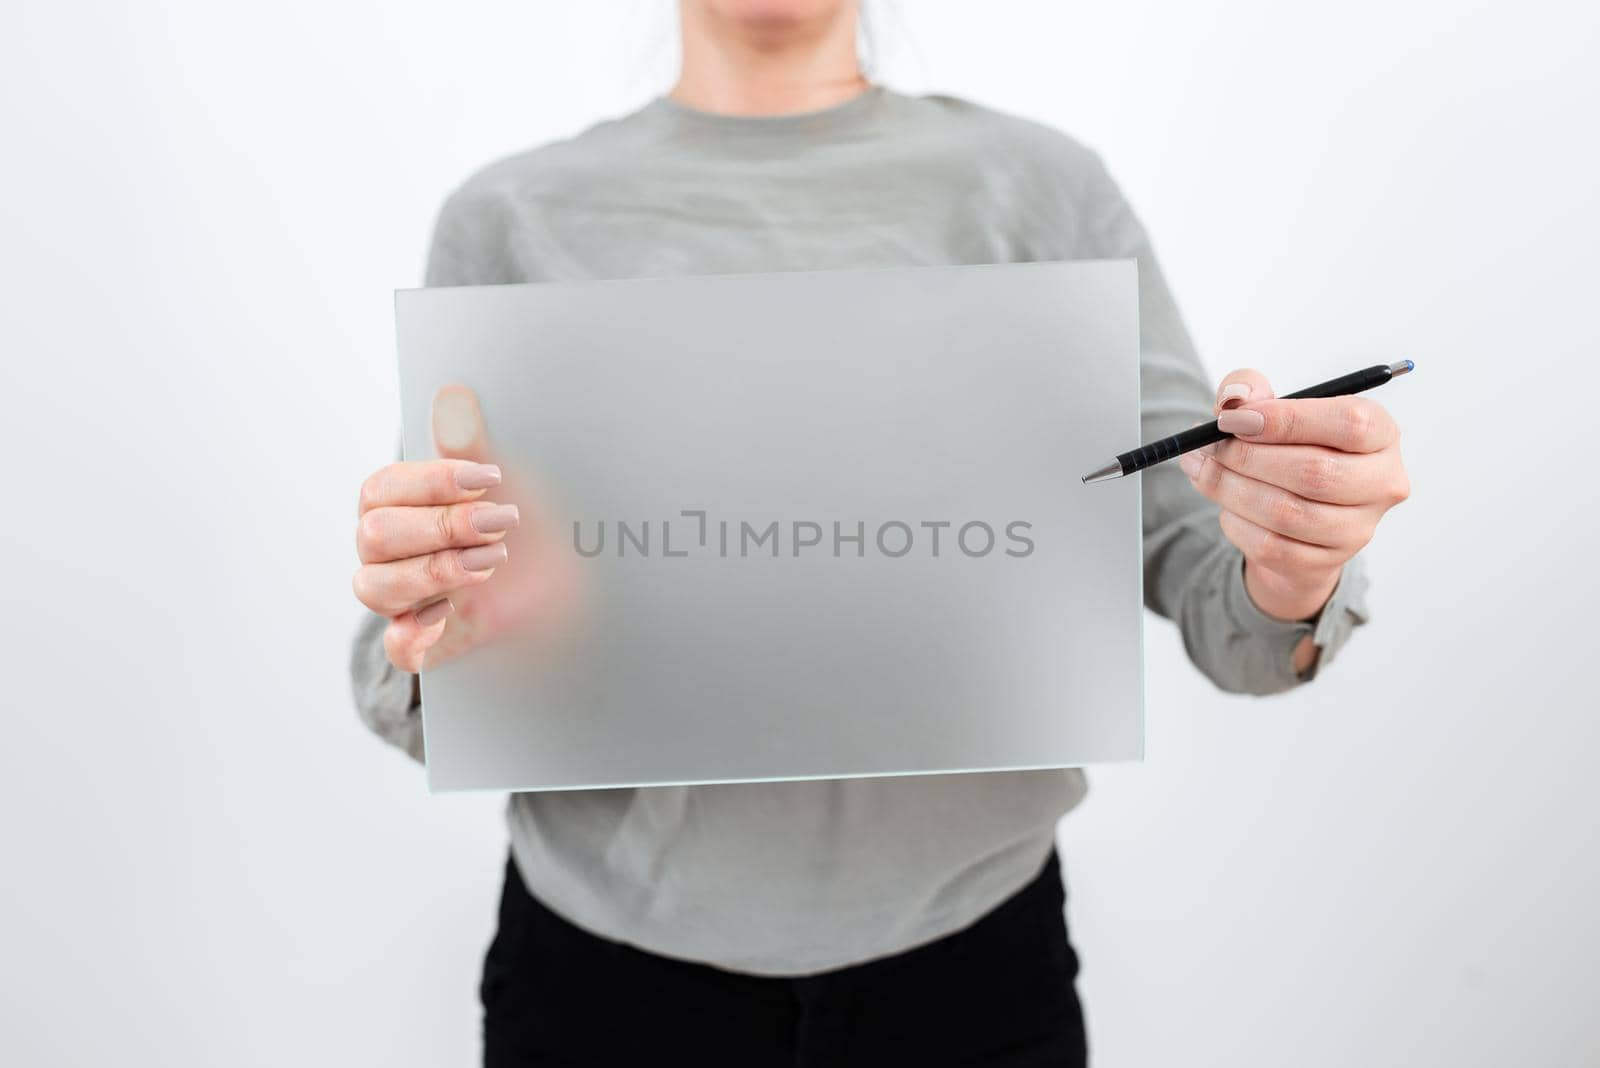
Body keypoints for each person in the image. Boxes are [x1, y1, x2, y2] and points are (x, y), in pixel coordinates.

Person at [349, 1, 1411, 1063]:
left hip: (972, 972)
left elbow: (1210, 589)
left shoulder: (1044, 189)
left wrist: (1292, 559)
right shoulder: (508, 217)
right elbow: (426, 663)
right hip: (601, 982)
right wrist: (433, 632)